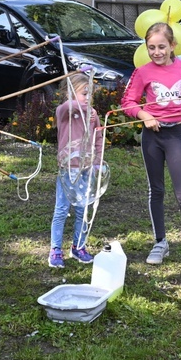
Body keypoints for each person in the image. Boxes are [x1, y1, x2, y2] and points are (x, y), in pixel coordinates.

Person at [120, 22, 181, 269]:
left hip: (175, 136)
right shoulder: (142, 72)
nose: (156, 52)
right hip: (153, 137)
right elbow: (128, 101)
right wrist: (144, 116)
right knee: (157, 191)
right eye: (151, 47)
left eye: (161, 46)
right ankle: (160, 242)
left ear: (173, 46)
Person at [48, 73, 102, 268]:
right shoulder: (64, 111)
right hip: (68, 169)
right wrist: (77, 102)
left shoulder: (92, 114)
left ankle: (78, 247)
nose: (88, 97)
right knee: (61, 210)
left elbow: (98, 137)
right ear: (69, 93)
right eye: (83, 93)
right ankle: (55, 250)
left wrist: (96, 160)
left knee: (83, 211)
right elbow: (67, 107)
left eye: (90, 94)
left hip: (86, 168)